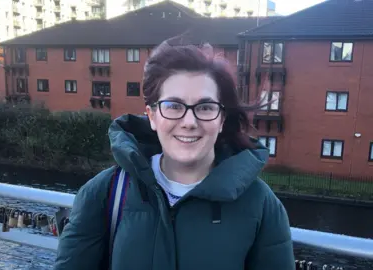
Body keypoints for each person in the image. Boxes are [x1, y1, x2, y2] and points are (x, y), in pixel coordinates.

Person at [54, 37, 295, 270]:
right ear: (152, 116)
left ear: (221, 119)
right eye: (174, 106)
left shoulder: (261, 205)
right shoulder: (105, 193)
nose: (189, 121)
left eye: (205, 107)